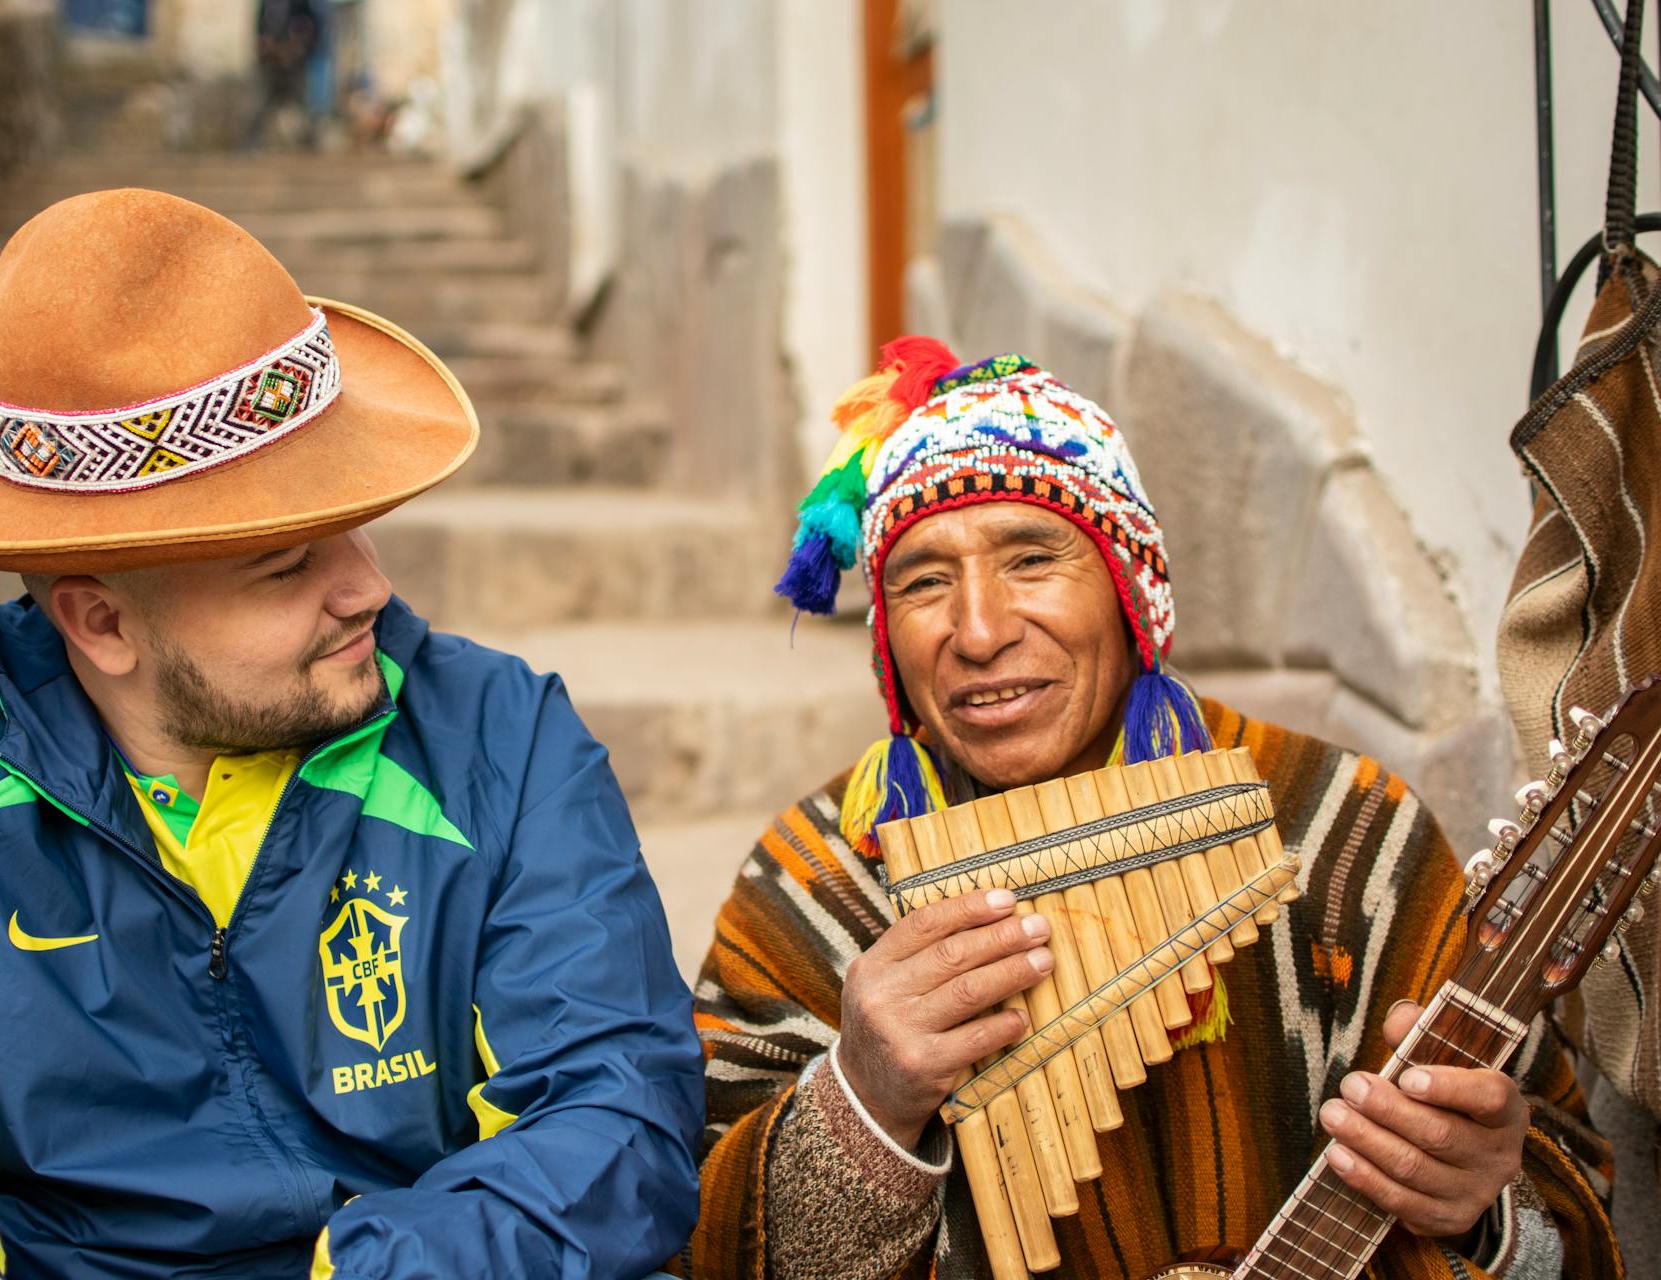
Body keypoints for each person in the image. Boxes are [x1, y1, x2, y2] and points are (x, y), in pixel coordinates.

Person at [0, 189, 702, 1279]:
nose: (367, 589)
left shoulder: (502, 739)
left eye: (353, 523)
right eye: (286, 564)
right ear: (101, 620)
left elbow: (614, 1103)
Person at [680, 343, 1619, 1280]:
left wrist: (1484, 1213)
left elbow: (1565, 1197)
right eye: (924, 582)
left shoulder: (1342, 832)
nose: (978, 631)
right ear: (888, 638)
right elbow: (701, 1236)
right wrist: (865, 1105)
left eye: (1033, 559)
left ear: (1132, 595)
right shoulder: (818, 881)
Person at [246, 0, 324, 148]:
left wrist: (297, 50)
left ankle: (308, 144)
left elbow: (313, 29)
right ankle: (251, 144)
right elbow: (259, 29)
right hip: (270, 63)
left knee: (301, 105)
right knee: (259, 103)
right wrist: (265, 48)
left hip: (294, 63)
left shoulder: (300, 4)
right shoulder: (266, 4)